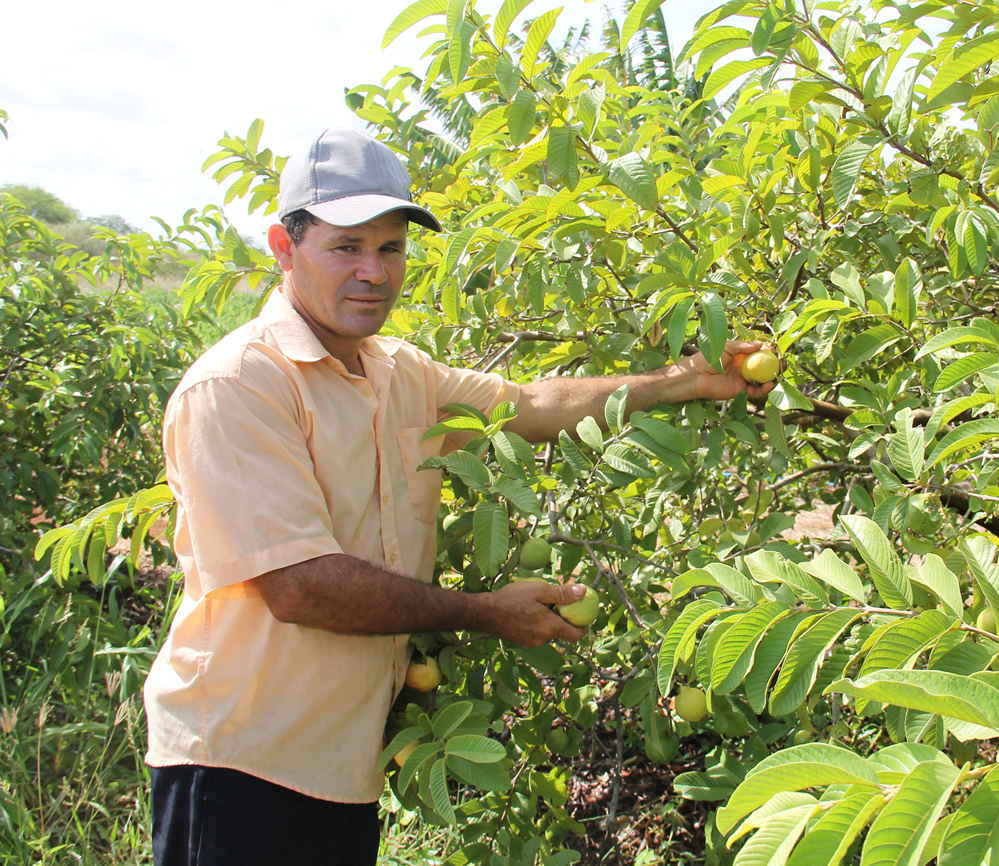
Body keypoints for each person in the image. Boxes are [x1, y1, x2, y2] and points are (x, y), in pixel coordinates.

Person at [142, 127, 775, 865]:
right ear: (285, 248)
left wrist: (692, 382)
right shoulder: (240, 385)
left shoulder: (397, 370)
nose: (373, 273)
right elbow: (299, 586)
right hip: (239, 762)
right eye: (346, 248)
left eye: (391, 249)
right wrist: (483, 614)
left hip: (341, 769)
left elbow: (530, 404)